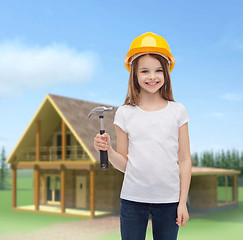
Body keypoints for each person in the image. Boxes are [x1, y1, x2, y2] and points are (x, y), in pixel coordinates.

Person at [93, 32, 191, 240]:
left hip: (169, 201)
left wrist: (182, 202)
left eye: (158, 70)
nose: (152, 77)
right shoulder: (125, 113)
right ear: (134, 74)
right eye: (145, 71)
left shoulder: (178, 111)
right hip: (132, 200)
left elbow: (184, 160)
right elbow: (125, 164)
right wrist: (108, 151)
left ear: (166, 73)